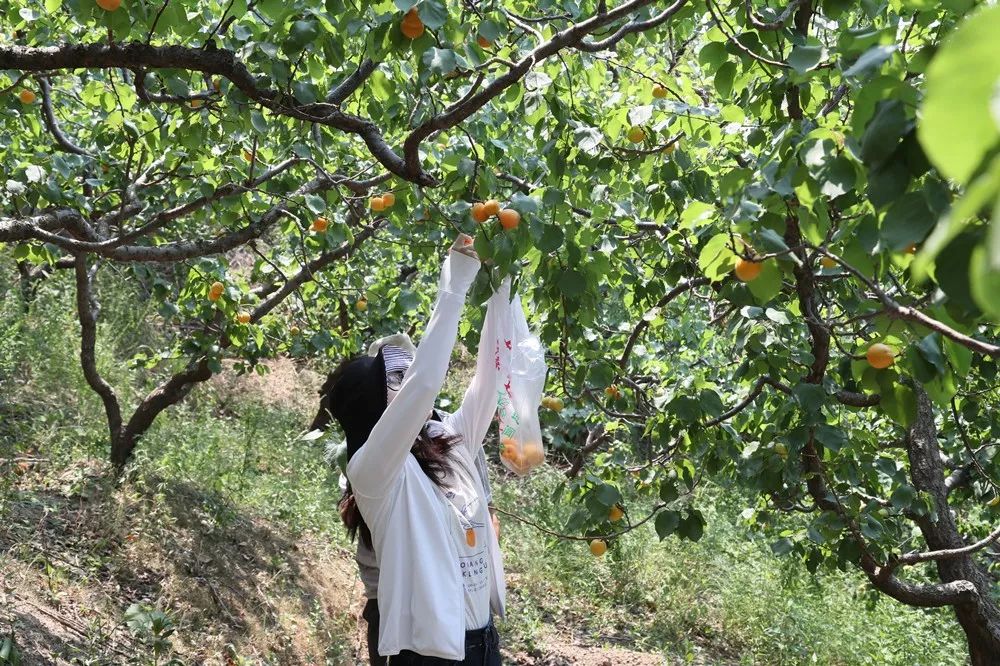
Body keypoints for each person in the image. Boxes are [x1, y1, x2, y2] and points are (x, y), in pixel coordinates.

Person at [310, 233, 508, 665]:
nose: (406, 388)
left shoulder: (444, 441)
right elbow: (424, 385)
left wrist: (500, 286)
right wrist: (455, 283)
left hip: (483, 645)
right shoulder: (373, 473)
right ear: (374, 408)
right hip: (428, 657)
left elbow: (490, 379)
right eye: (394, 383)